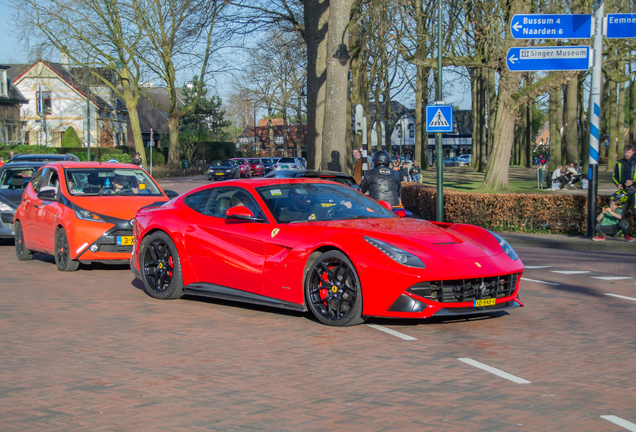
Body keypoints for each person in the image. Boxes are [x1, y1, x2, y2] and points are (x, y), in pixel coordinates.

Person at [612, 143, 636, 242]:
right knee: (621, 211)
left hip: (635, 190)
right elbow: (614, 176)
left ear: (633, 152)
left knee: (635, 211)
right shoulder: (619, 162)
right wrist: (618, 184)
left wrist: (633, 182)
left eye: (629, 152)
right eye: (626, 152)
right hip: (623, 191)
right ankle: (622, 230)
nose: (627, 154)